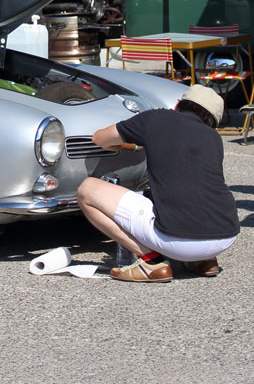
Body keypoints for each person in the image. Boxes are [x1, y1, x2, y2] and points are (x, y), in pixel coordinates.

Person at [77, 85, 240, 282]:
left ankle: (151, 261)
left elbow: (100, 138)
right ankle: (203, 260)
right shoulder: (213, 137)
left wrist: (130, 143)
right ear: (212, 121)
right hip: (226, 235)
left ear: (178, 104)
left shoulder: (156, 119)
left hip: (179, 241)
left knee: (87, 190)